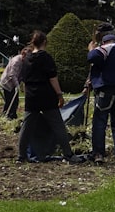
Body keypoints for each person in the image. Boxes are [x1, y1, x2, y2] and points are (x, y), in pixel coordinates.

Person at [16, 30, 82, 164]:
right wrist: (59, 94)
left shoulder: (26, 58)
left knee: (26, 126)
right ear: (45, 42)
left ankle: (21, 156)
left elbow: (24, 79)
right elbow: (53, 78)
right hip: (46, 95)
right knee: (58, 126)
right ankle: (68, 154)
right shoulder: (46, 58)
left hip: (31, 96)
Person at [86, 22, 115, 164]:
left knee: (100, 121)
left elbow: (92, 58)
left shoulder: (107, 47)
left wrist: (91, 49)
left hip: (107, 89)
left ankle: (98, 153)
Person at [0, 46, 28, 119]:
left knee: (15, 101)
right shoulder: (16, 61)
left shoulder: (24, 61)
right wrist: (17, 85)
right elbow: (12, 75)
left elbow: (23, 74)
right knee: (10, 100)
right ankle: (8, 116)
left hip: (14, 83)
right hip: (7, 83)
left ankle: (11, 115)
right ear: (24, 55)